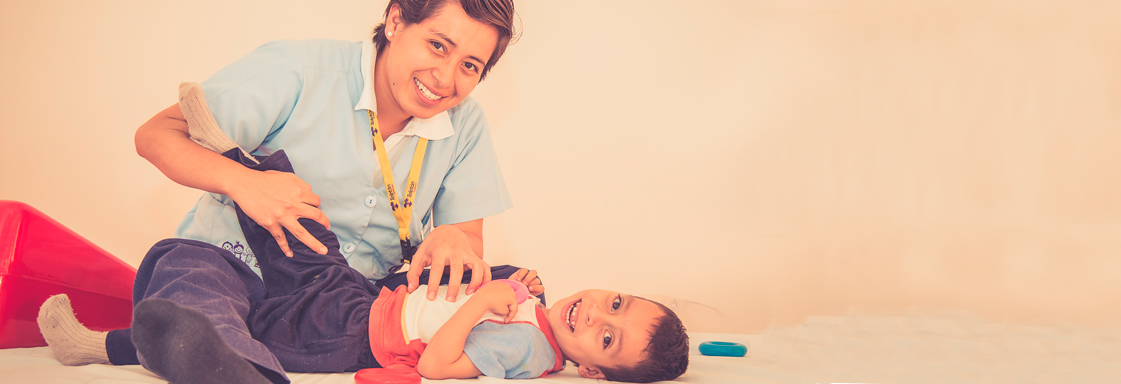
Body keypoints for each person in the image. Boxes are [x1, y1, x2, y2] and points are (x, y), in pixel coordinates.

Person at [38, 149, 690, 383]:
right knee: (300, 225)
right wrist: (511, 283)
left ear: (596, 370)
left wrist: (482, 301)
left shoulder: (528, 352)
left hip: (350, 336)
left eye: (606, 336)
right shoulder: (538, 316)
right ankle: (243, 159)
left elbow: (439, 363)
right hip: (361, 302)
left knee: (240, 325)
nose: (596, 312)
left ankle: (156, 356)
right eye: (617, 303)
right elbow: (456, 293)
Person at [134, 0, 514, 302]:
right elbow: (157, 134)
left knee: (509, 287)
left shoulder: (466, 124)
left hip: (343, 302)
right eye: (437, 45)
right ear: (396, 21)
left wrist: (453, 240)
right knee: (200, 300)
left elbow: (468, 239)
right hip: (234, 268)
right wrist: (245, 183)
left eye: (469, 66)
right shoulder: (297, 69)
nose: (445, 79)